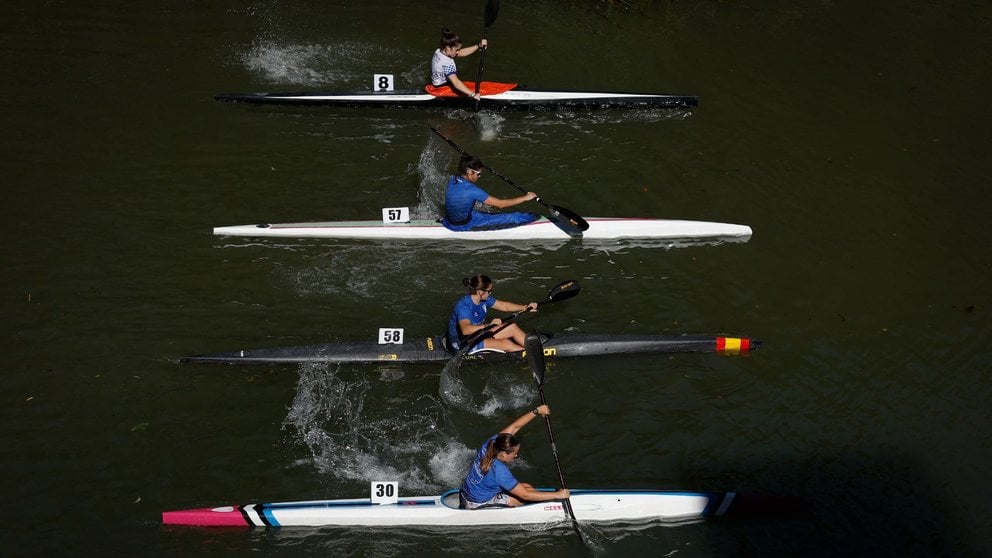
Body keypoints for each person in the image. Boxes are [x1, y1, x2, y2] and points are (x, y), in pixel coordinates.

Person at [460, 404, 571, 509]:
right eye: (514, 453)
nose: (516, 455)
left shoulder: (490, 444)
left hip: (467, 491)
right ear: (503, 454)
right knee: (523, 500)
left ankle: (543, 503)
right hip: (475, 503)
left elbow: (514, 427)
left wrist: (537, 411)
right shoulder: (500, 471)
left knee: (527, 486)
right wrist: (558, 495)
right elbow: (525, 496)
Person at [441, 154, 540, 231]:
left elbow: (466, 165)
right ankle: (538, 218)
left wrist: (470, 160)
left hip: (450, 221)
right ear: (470, 172)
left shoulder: (453, 179)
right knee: (512, 217)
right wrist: (525, 198)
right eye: (479, 174)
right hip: (464, 225)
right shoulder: (472, 191)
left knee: (490, 214)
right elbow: (501, 204)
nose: (480, 177)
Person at [447, 275, 536, 353]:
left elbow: (503, 306)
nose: (491, 293)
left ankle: (536, 349)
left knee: (512, 327)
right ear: (481, 292)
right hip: (462, 344)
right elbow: (465, 330)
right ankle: (529, 354)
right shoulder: (464, 306)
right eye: (489, 291)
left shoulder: (484, 299)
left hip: (477, 335)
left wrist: (524, 308)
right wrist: (489, 325)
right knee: (507, 343)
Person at [429, 27, 488, 100]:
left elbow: (461, 52)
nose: (458, 52)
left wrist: (478, 45)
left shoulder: (439, 51)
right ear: (448, 48)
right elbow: (456, 83)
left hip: (436, 83)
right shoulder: (447, 64)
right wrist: (472, 95)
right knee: (468, 90)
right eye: (457, 50)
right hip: (443, 87)